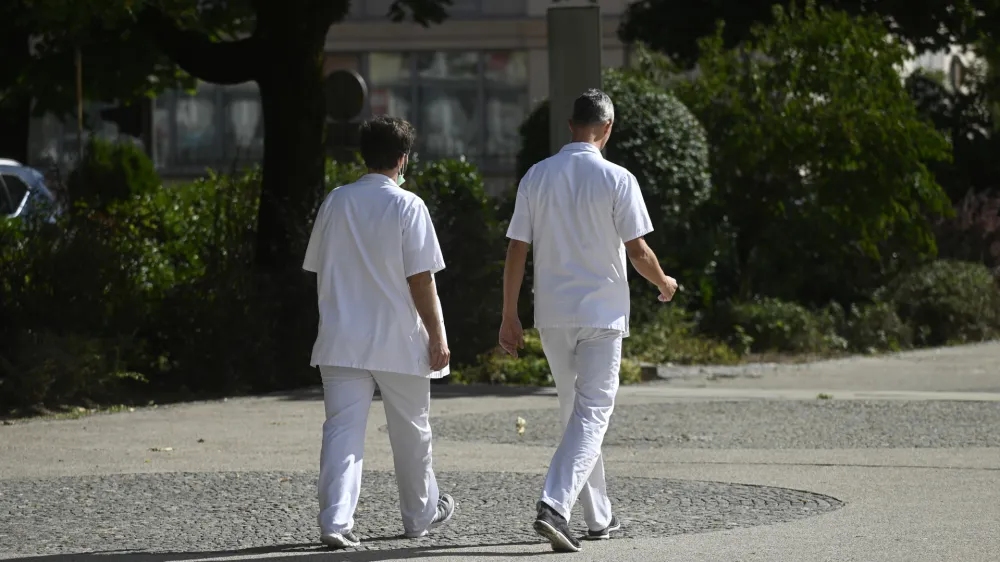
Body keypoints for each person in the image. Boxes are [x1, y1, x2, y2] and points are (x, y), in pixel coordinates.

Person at [499, 89, 677, 552]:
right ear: (608, 127)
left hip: (553, 315)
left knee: (575, 414)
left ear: (571, 125)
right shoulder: (618, 179)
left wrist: (509, 314)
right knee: (593, 413)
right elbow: (638, 252)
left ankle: (598, 517)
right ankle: (554, 505)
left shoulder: (536, 176)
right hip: (601, 313)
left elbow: (517, 249)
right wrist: (664, 282)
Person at [303, 115, 456, 550]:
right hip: (398, 339)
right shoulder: (409, 206)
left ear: (363, 155)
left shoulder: (336, 201)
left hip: (341, 338)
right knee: (412, 431)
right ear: (403, 159)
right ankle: (419, 515)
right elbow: (421, 279)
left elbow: (318, 267)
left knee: (341, 431)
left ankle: (335, 520)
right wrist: (438, 336)